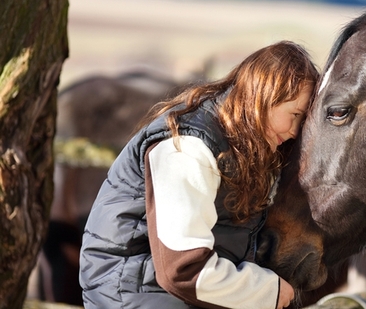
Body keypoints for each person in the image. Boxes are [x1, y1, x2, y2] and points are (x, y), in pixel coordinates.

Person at [79, 41, 320, 309]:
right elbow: (182, 271)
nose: (295, 131)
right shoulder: (188, 147)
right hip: (133, 295)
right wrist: (265, 292)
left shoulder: (240, 148)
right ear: (264, 97)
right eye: (294, 114)